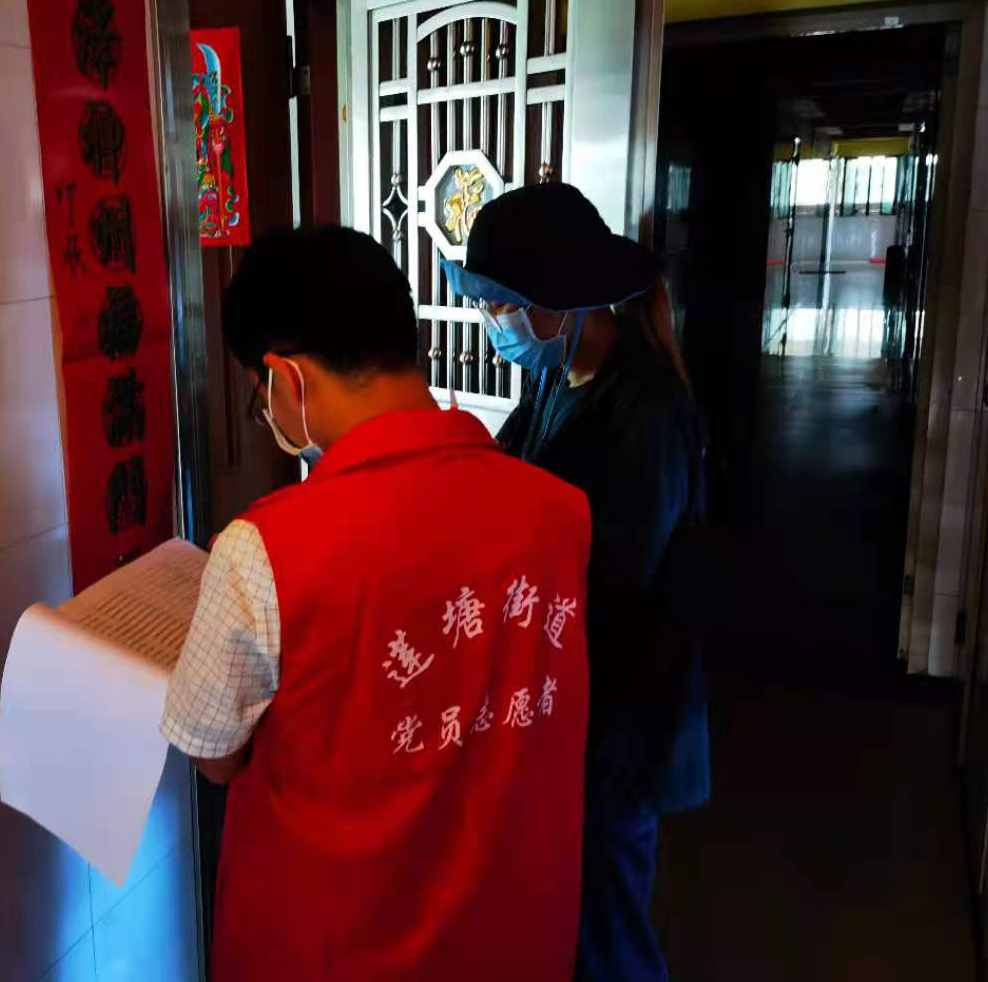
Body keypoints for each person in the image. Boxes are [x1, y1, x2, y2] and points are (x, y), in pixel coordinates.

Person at [161, 225, 593, 980]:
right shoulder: (559, 512)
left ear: (285, 378)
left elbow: (214, 755)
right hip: (515, 935)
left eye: (262, 394)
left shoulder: (264, 548)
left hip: (335, 948)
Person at [442, 183, 710, 982]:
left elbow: (614, 571)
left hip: (624, 713)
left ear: (563, 304)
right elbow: (507, 471)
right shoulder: (556, 380)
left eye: (502, 305)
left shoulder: (648, 409)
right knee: (571, 915)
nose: (492, 321)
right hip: (575, 703)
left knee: (609, 930)